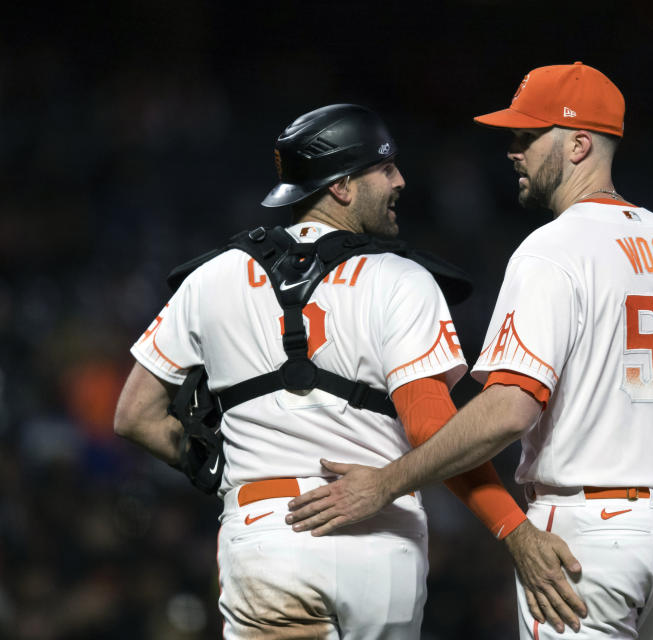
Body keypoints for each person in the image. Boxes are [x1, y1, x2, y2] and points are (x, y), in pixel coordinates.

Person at [286, 63, 653, 639]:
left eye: (528, 137)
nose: (513, 152)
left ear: (581, 144)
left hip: (592, 533)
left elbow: (510, 411)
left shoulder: (554, 249)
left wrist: (387, 482)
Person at [113, 103, 580, 639]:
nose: (400, 180)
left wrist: (221, 468)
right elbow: (429, 428)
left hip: (268, 532)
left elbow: (134, 416)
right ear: (340, 186)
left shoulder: (211, 277)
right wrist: (514, 531)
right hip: (380, 538)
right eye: (384, 168)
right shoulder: (400, 278)